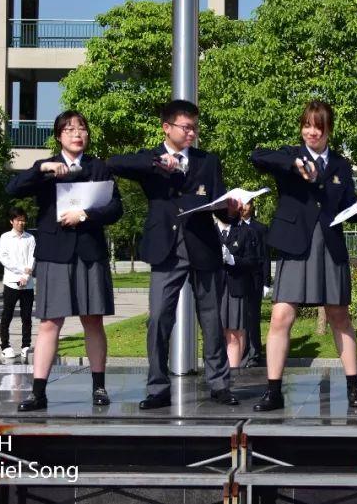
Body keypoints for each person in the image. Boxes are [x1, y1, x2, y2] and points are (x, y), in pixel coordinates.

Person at [250, 100, 357, 412]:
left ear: (329, 131)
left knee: (340, 316)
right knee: (282, 316)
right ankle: (273, 391)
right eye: (307, 125)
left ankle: (353, 387)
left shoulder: (341, 165)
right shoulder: (288, 155)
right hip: (295, 243)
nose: (311, 132)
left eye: (318, 127)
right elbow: (257, 156)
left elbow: (349, 208)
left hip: (330, 244)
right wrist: (293, 166)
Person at [109, 99, 240, 410]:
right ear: (167, 128)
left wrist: (232, 210)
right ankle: (157, 387)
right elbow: (115, 163)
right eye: (186, 127)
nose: (192, 132)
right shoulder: (149, 160)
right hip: (165, 249)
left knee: (211, 319)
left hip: (202, 245)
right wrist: (161, 163)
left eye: (195, 127)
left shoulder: (208, 161)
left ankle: (220, 384)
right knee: (158, 319)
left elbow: (220, 204)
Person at [7, 111, 124, 411]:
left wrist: (85, 215)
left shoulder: (98, 167)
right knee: (49, 323)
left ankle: (99, 387)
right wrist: (41, 169)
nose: (77, 134)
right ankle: (38, 392)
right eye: (70, 129)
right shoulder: (44, 168)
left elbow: (115, 208)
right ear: (58, 135)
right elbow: (12, 188)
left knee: (93, 320)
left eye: (82, 128)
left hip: (89, 251)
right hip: (55, 253)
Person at [219, 197, 267, 369]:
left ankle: (242, 364)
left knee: (239, 329)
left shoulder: (249, 231)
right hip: (216, 288)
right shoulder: (210, 232)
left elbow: (258, 259)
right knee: (218, 332)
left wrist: (232, 260)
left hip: (240, 285)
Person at [0, 206, 35, 364]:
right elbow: (3, 258)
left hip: (28, 283)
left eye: (23, 220)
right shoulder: (5, 237)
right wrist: (20, 270)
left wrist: (26, 275)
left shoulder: (30, 238)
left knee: (27, 316)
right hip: (11, 282)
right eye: (18, 220)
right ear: (11, 221)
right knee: (8, 314)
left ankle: (26, 344)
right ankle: (5, 345)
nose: (21, 223)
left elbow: (33, 257)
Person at [238, 200, 270, 369]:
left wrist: (266, 282)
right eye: (241, 204)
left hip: (255, 279)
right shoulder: (235, 226)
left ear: (253, 206)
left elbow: (266, 256)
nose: (244, 207)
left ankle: (255, 353)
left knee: (253, 317)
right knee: (239, 318)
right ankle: (241, 353)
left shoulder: (261, 228)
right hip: (238, 278)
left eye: (247, 204)